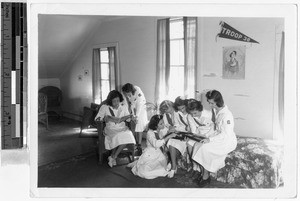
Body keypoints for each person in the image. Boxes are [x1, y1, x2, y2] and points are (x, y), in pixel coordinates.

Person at [192, 90, 237, 187]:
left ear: (218, 101)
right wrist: (208, 136)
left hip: (227, 140)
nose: (210, 105)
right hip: (219, 136)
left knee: (205, 148)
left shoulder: (227, 115)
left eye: (211, 103)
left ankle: (206, 176)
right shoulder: (217, 110)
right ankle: (203, 172)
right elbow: (216, 128)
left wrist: (210, 140)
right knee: (198, 145)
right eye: (209, 102)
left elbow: (226, 134)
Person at [94, 90, 136, 168]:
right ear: (110, 101)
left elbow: (128, 120)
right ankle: (113, 156)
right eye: (114, 101)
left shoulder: (123, 107)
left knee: (129, 135)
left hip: (122, 128)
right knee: (119, 136)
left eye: (118, 101)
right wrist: (104, 119)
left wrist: (131, 117)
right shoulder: (105, 107)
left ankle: (113, 156)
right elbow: (97, 119)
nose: (117, 103)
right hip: (110, 129)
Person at [127, 115, 177, 179]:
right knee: (144, 173)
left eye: (163, 122)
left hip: (160, 155)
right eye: (161, 124)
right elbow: (156, 144)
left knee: (160, 167)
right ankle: (137, 165)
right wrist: (168, 137)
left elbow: (165, 136)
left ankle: (138, 164)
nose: (163, 125)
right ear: (156, 126)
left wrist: (170, 132)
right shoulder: (150, 133)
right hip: (150, 154)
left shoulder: (162, 129)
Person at [186, 99, 215, 180]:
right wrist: (196, 136)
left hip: (210, 134)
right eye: (191, 114)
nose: (193, 116)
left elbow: (213, 128)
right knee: (189, 143)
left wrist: (206, 136)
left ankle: (204, 172)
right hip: (199, 134)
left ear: (200, 110)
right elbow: (193, 130)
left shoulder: (209, 114)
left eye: (195, 113)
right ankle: (195, 167)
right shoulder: (190, 116)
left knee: (199, 146)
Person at [165, 96, 190, 178]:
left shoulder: (191, 112)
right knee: (171, 141)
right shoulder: (177, 113)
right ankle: (173, 167)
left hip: (189, 134)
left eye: (183, 108)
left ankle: (172, 164)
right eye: (180, 109)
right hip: (181, 133)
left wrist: (185, 129)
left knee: (179, 143)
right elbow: (177, 124)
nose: (182, 110)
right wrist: (174, 129)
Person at [122, 83, 148, 155]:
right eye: (125, 93)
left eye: (127, 93)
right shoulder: (129, 94)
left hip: (141, 109)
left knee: (139, 126)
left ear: (130, 90)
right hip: (135, 110)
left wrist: (136, 116)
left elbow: (139, 104)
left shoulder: (137, 90)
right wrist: (133, 115)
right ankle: (135, 144)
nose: (127, 95)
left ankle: (139, 146)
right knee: (134, 127)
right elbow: (132, 104)